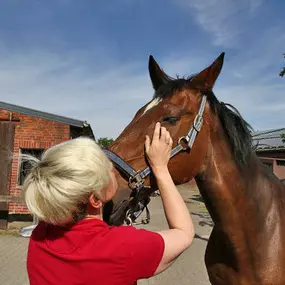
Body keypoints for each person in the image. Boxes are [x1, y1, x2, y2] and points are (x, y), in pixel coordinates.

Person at [23, 122, 195, 285]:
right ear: (96, 199)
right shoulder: (122, 248)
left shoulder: (39, 236)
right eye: (108, 168)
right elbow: (184, 233)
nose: (113, 168)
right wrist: (161, 169)